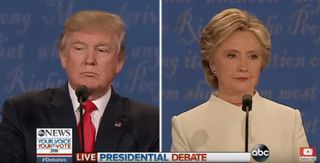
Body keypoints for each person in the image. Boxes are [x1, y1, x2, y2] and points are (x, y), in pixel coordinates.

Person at [0, 10, 159, 162]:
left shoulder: (149, 123)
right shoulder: (24, 112)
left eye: (101, 50)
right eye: (79, 48)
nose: (90, 60)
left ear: (119, 61)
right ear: (63, 56)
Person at [171, 8, 310, 162]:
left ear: (261, 62)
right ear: (212, 64)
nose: (243, 66)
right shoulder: (186, 126)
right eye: (232, 55)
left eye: (253, 56)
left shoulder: (290, 119)